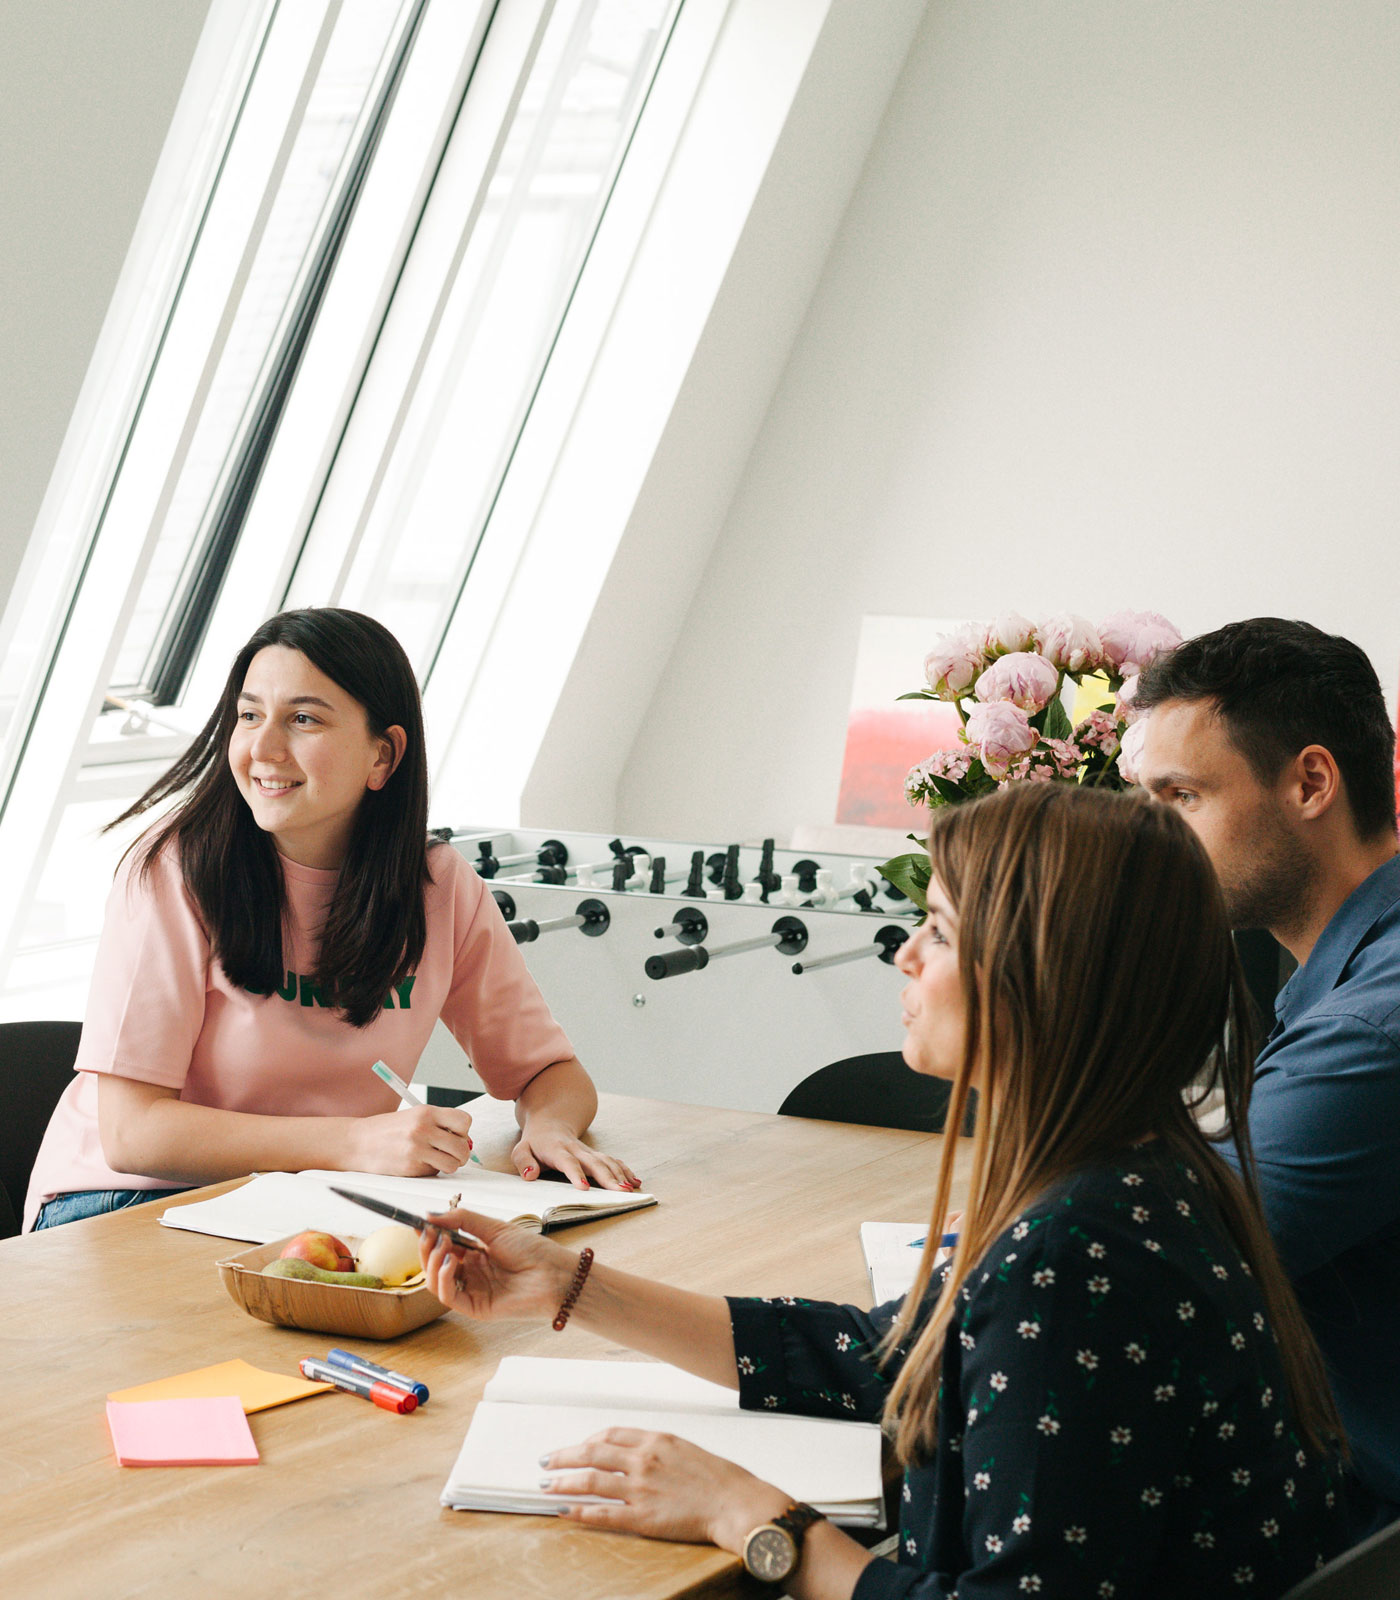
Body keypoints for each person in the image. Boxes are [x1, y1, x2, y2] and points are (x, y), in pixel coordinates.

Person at [417, 784, 1348, 1599]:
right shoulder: (1136, 1171)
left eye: (940, 929)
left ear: (1041, 972)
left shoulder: (1077, 1249)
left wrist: (749, 1513)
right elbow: (887, 1356)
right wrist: (570, 1286)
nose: (905, 955)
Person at [24, 607, 637, 1231]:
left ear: (383, 756)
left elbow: (548, 1072)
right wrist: (355, 1143)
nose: (262, 748)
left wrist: (550, 1129)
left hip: (311, 1196)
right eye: (249, 715)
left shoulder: (439, 888)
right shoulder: (172, 871)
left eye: (303, 719)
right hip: (123, 1200)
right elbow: (133, 1136)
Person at [1134, 616, 1400, 1526]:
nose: (1149, 841)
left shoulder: (1377, 1023)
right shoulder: (1345, 964)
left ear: (1312, 782)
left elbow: (1162, 1259)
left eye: (1180, 797)